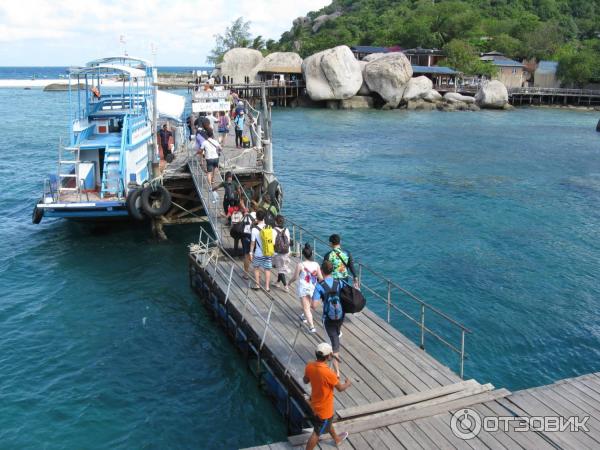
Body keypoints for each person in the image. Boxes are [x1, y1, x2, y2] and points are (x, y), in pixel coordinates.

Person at [303, 342, 350, 450]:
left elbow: (305, 380)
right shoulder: (329, 373)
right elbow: (340, 388)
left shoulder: (310, 366)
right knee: (317, 433)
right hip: (324, 409)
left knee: (328, 423)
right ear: (328, 356)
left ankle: (337, 439)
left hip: (314, 403)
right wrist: (348, 383)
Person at [312, 260, 345, 376]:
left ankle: (336, 371)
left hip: (328, 318)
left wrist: (322, 298)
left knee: (333, 344)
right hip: (340, 316)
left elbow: (314, 305)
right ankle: (337, 334)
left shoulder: (319, 286)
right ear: (333, 270)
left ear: (321, 271)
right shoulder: (339, 282)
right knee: (335, 334)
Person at [289, 243, 323, 333]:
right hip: (313, 288)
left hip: (303, 288)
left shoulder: (300, 265)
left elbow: (295, 277)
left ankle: (312, 327)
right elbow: (321, 278)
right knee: (309, 306)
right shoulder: (316, 264)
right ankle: (304, 316)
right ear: (311, 254)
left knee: (306, 307)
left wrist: (289, 282)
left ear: (303, 254)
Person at [249, 209, 273, 292]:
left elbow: (252, 243)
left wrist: (251, 253)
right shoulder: (269, 227)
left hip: (258, 253)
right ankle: (267, 287)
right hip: (268, 252)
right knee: (267, 269)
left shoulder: (254, 229)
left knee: (256, 268)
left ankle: (257, 285)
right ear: (264, 218)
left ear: (256, 218)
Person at [273, 215, 291, 292]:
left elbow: (273, 242)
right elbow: (289, 241)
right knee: (282, 268)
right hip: (287, 251)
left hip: (278, 252)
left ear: (275, 222)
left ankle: (286, 286)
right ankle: (277, 282)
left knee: (281, 270)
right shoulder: (286, 230)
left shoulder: (274, 230)